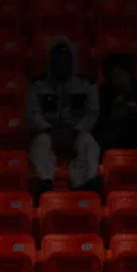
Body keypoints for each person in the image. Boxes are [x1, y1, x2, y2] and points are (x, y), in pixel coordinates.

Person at [26, 35, 100, 191]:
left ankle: (86, 182)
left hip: (76, 133)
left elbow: (91, 113)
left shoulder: (85, 84)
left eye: (65, 56)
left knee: (89, 143)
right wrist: (47, 129)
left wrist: (77, 130)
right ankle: (44, 182)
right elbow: (33, 113)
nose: (61, 61)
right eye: (57, 56)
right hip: (48, 132)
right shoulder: (37, 85)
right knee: (40, 143)